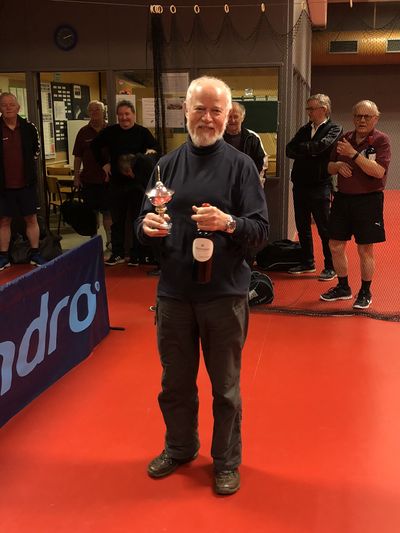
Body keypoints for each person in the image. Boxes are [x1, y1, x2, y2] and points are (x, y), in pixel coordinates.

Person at [136, 76, 269, 495]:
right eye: (200, 109)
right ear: (186, 113)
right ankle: (180, 447)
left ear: (227, 116)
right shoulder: (165, 166)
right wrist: (146, 226)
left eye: (216, 111)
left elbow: (261, 231)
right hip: (174, 294)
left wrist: (228, 223)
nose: (207, 118)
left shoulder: (241, 166)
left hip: (224, 295)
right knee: (174, 383)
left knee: (225, 389)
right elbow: (141, 224)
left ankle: (226, 461)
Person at [320, 100, 391, 309]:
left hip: (368, 200)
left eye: (367, 116)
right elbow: (328, 167)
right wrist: (337, 165)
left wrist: (353, 154)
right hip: (342, 199)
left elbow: (378, 171)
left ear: (375, 119)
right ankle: (343, 287)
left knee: (364, 249)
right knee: (335, 245)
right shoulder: (344, 138)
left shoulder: (381, 140)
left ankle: (365, 291)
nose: (362, 120)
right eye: (358, 116)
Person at [91, 99, 158, 266]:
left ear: (133, 114)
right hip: (117, 183)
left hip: (137, 183)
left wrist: (145, 158)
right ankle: (118, 253)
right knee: (117, 221)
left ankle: (136, 255)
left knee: (137, 219)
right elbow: (94, 146)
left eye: (127, 114)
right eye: (120, 115)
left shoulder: (142, 132)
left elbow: (156, 150)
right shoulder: (111, 131)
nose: (124, 117)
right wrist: (104, 164)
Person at [286, 94, 342, 281]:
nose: (308, 112)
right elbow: (289, 149)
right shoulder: (305, 129)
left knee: (324, 228)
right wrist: (311, 150)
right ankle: (307, 262)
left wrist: (305, 150)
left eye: (311, 108)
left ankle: (330, 266)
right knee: (302, 226)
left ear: (323, 109)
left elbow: (322, 147)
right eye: (308, 108)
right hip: (300, 184)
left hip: (320, 184)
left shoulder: (334, 128)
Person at [0, 92, 46, 270]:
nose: (8, 108)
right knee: (4, 221)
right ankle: (3, 257)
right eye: (4, 105)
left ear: (18, 107)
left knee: (31, 218)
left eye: (11, 104)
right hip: (3, 186)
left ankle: (35, 253)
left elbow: (36, 151)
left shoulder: (29, 127)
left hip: (26, 184)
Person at [73, 100, 111, 247]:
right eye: (91, 110)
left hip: (107, 180)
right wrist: (76, 176)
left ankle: (110, 241)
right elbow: (78, 156)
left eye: (97, 110)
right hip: (89, 180)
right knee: (91, 214)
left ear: (103, 112)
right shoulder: (83, 132)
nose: (94, 112)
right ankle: (94, 242)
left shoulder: (110, 130)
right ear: (88, 113)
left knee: (108, 212)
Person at [223, 101, 268, 185]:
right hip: (222, 186)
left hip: (247, 184)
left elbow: (262, 163)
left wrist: (256, 184)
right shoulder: (216, 138)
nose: (232, 120)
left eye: (236, 117)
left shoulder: (253, 138)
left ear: (242, 118)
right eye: (229, 116)